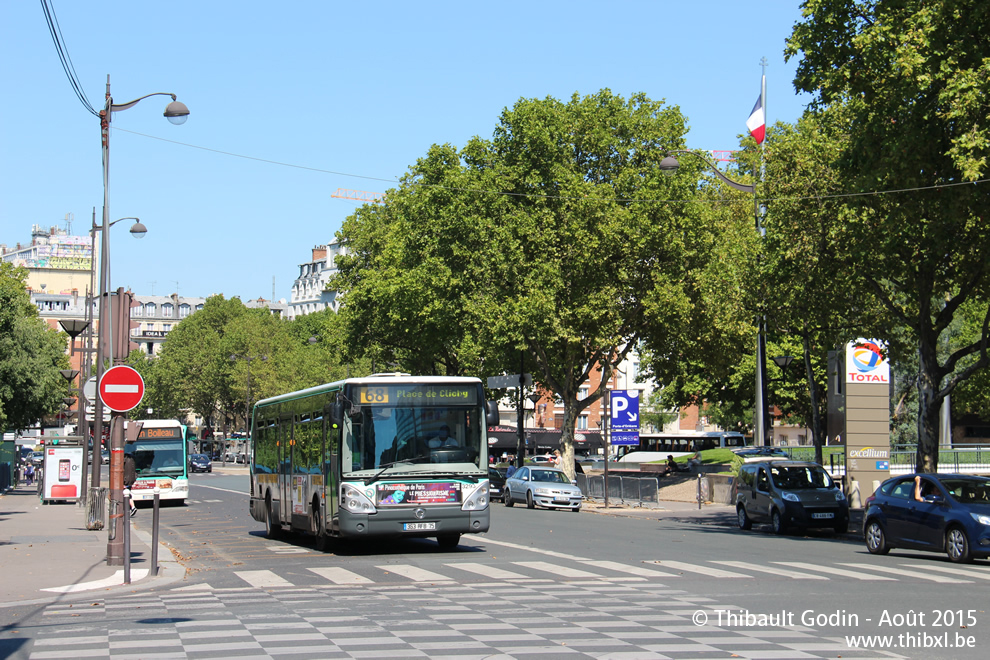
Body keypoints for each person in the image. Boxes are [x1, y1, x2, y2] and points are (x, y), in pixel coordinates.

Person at [123, 452, 137, 517]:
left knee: (126, 494)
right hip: (130, 480)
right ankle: (133, 507)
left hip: (125, 480)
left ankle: (131, 508)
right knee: (128, 494)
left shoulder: (124, 459)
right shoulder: (132, 459)